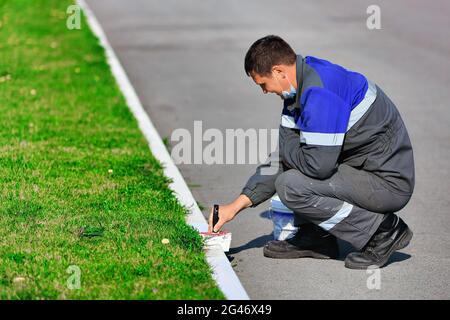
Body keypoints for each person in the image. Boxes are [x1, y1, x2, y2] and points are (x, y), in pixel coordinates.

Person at [208, 35, 415, 269]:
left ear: (278, 71)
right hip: (361, 171)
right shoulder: (299, 87)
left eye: (263, 84)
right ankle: (318, 239)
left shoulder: (319, 95)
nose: (264, 92)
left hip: (387, 184)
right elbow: (284, 157)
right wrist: (235, 206)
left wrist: (291, 152)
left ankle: (383, 231)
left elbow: (318, 166)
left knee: (291, 185)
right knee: (295, 170)